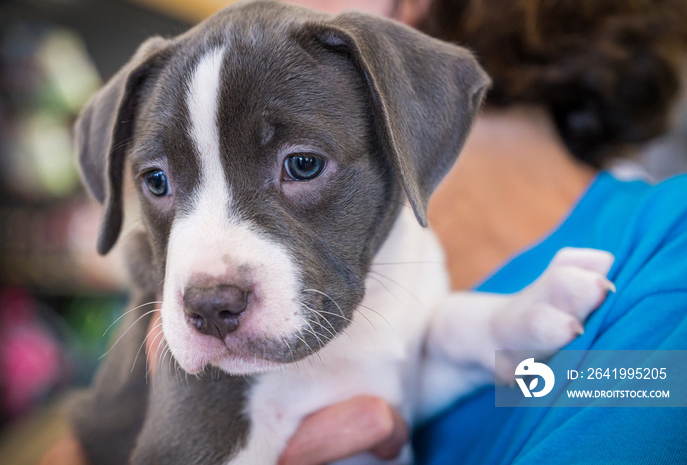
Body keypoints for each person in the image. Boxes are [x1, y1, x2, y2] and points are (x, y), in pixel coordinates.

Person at [43, 0, 687, 463]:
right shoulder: (405, 297)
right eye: (159, 183)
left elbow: (631, 382)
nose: (237, 15)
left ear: (409, 13)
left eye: (300, 167)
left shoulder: (664, 258)